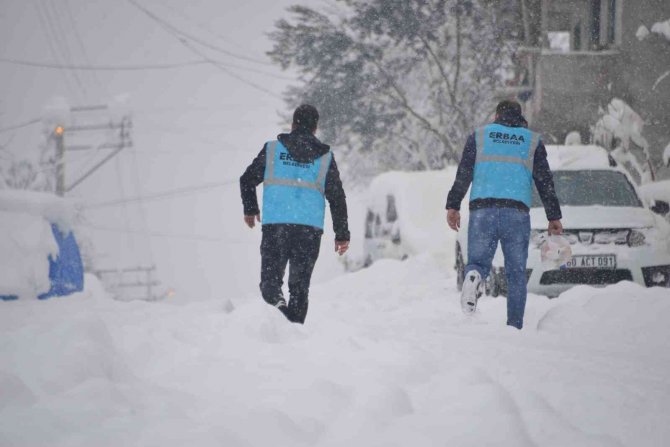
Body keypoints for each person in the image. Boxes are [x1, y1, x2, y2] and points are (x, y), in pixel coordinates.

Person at [445, 100, 563, 329]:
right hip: (516, 213)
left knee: (478, 262)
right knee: (516, 273)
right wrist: (553, 216)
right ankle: (514, 325)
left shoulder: (480, 136)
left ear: (497, 114)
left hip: (483, 210)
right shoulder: (532, 141)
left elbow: (464, 174)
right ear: (520, 116)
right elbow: (545, 182)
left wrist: (453, 205)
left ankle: (474, 277)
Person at [240, 104, 350, 324]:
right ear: (315, 127)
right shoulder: (325, 158)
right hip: (309, 232)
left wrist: (251, 209)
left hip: (276, 228)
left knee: (270, 284)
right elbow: (336, 197)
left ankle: (281, 313)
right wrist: (342, 233)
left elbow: (247, 179)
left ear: (293, 124)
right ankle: (294, 332)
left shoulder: (272, 150)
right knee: (299, 288)